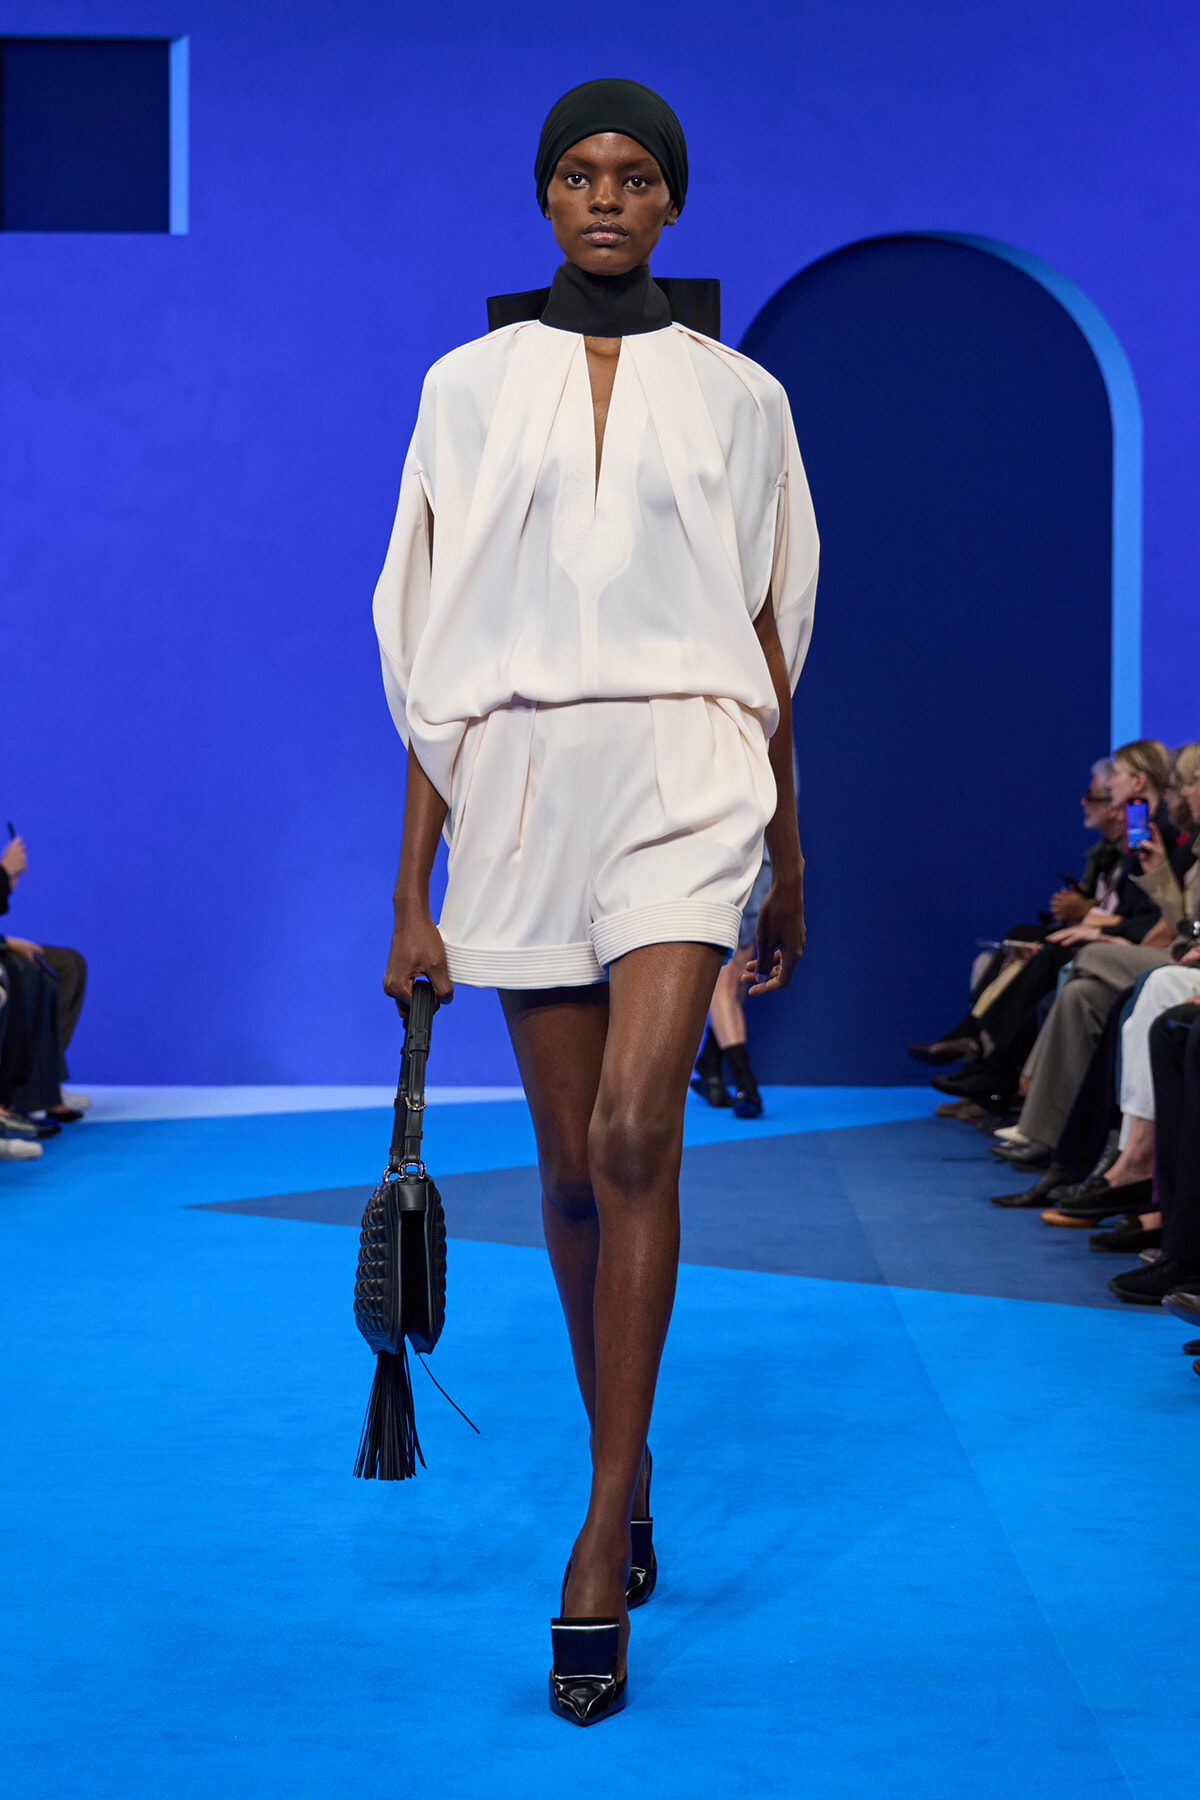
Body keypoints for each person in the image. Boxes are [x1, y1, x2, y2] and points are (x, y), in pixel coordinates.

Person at [372, 78, 818, 1725]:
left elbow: (775, 632)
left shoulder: (744, 396)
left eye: (636, 174)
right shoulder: (465, 388)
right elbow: (432, 650)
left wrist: (796, 844)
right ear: (543, 197)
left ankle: (589, 1532)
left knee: (638, 1135)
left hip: (695, 766)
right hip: (521, 778)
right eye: (578, 172)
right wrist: (407, 891)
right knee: (568, 1173)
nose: (607, 196)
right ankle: (622, 1472)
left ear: (676, 201)